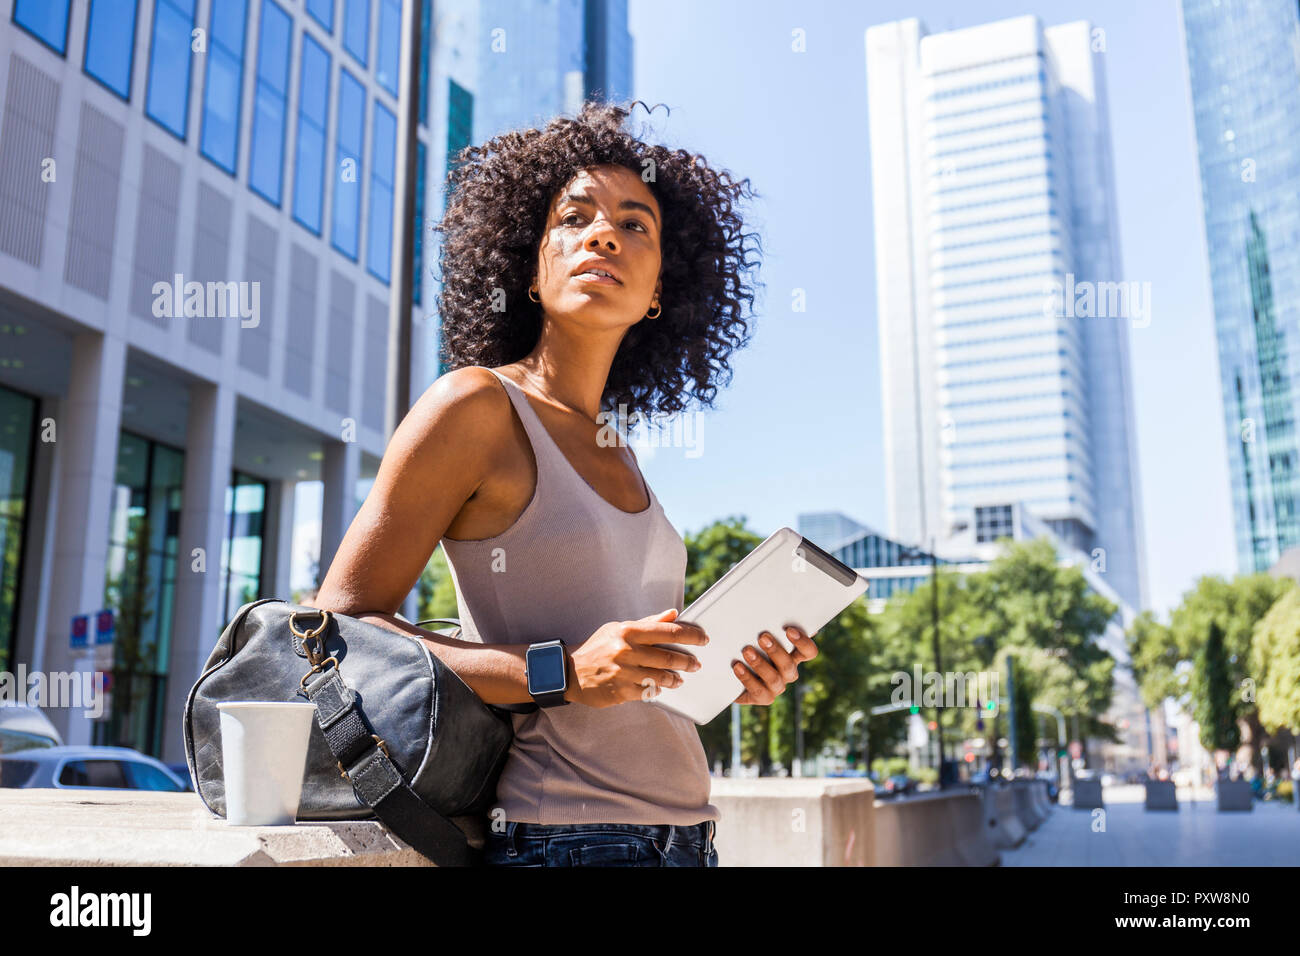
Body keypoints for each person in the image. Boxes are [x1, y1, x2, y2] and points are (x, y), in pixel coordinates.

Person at [313, 101, 814, 867]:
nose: (604, 233)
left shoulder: (624, 453)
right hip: (569, 842)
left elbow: (624, 682)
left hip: (687, 840)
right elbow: (336, 629)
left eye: (634, 224)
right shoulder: (477, 407)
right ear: (532, 266)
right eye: (574, 218)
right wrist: (567, 671)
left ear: (657, 294)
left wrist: (724, 678)